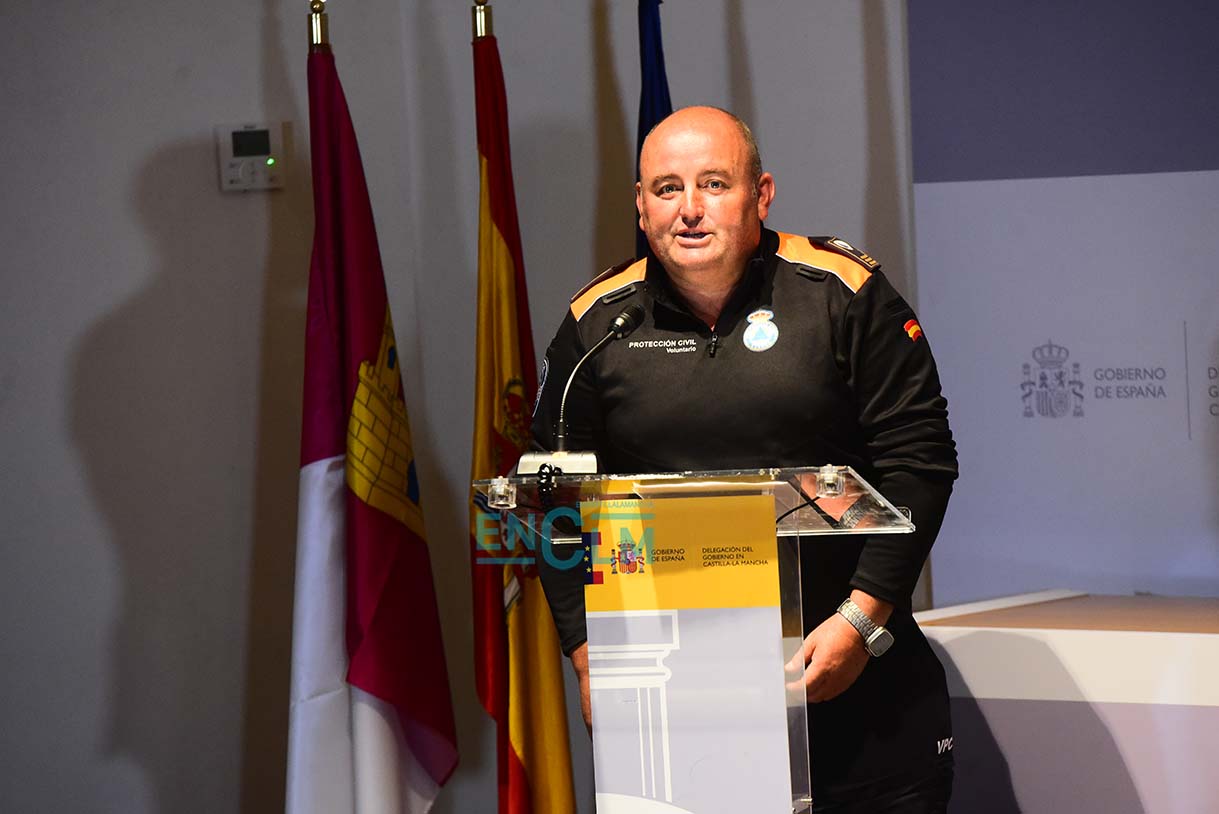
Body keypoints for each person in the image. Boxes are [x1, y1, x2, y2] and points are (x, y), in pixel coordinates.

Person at [530, 106, 958, 812]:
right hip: (680, 710)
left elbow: (921, 460)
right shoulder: (598, 323)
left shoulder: (842, 293)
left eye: (714, 183)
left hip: (857, 690)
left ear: (761, 195)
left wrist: (861, 619)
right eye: (667, 188)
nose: (689, 210)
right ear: (640, 206)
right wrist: (584, 651)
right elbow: (551, 498)